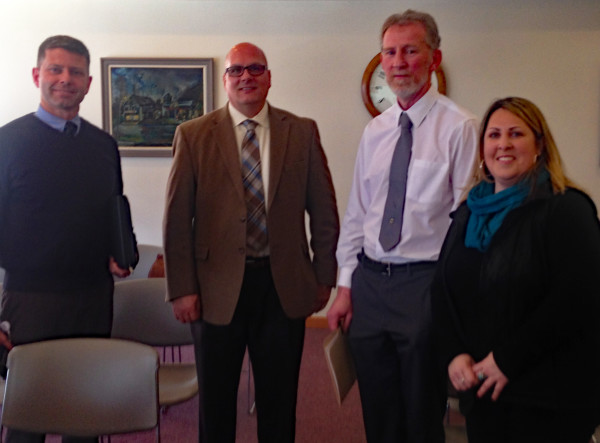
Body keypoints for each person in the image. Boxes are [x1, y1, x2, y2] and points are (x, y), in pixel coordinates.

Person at [163, 42, 339, 443]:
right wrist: (182, 288)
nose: (246, 76)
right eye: (237, 70)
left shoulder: (302, 131)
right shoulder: (192, 136)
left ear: (269, 77)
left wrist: (324, 276)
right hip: (214, 290)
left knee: (279, 403)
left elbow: (324, 212)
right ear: (225, 81)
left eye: (256, 68)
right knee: (215, 405)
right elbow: (176, 220)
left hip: (283, 288)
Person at [328, 10, 478, 443]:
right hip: (371, 284)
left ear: (434, 58)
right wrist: (345, 287)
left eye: (410, 51)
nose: (398, 62)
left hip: (424, 284)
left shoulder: (461, 127)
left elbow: (464, 223)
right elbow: (357, 214)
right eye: (389, 52)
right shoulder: (375, 131)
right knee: (378, 410)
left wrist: (452, 299)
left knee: (420, 411)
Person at [431, 96, 600, 442]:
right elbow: (443, 289)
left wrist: (507, 359)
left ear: (539, 145)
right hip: (484, 392)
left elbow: (577, 300)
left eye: (515, 134)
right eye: (493, 135)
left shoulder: (566, 208)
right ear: (482, 150)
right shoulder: (468, 211)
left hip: (548, 396)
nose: (503, 144)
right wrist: (454, 354)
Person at [0, 35, 131, 443]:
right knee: (28, 417)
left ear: (89, 83)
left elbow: (112, 210)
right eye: (55, 69)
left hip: (93, 297)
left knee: (85, 414)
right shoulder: (6, 143)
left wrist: (118, 252)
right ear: (38, 75)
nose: (65, 79)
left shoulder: (104, 146)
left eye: (75, 72)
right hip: (29, 301)